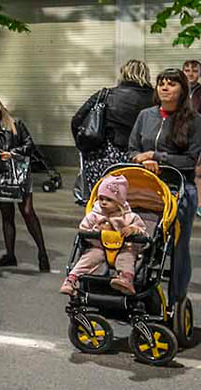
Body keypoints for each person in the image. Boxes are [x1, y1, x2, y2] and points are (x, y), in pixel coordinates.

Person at [128, 67, 201, 306]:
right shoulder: (145, 116)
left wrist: (158, 157)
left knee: (178, 246)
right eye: (161, 83)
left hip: (178, 188)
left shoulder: (194, 121)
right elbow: (131, 150)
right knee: (139, 238)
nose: (165, 87)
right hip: (146, 188)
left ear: (182, 90)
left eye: (171, 84)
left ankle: (177, 298)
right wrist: (142, 159)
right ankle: (136, 287)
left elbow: (190, 161)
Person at [0, 93, 49, 271]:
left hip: (20, 173)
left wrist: (13, 153)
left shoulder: (15, 122)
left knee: (27, 211)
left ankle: (42, 253)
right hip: (1, 174)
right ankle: (10, 255)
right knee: (6, 214)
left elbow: (30, 145)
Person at [71, 60, 155, 200]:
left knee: (102, 202)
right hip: (142, 159)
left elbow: (77, 121)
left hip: (105, 158)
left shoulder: (106, 95)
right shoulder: (155, 98)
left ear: (123, 74)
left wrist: (83, 147)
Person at [60, 174, 146, 296]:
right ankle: (72, 280)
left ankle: (126, 279)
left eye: (109, 200)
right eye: (101, 198)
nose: (104, 203)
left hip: (123, 248)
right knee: (87, 259)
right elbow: (83, 230)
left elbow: (143, 233)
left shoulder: (129, 217)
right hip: (99, 247)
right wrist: (96, 230)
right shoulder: (94, 216)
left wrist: (133, 229)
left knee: (127, 258)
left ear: (119, 202)